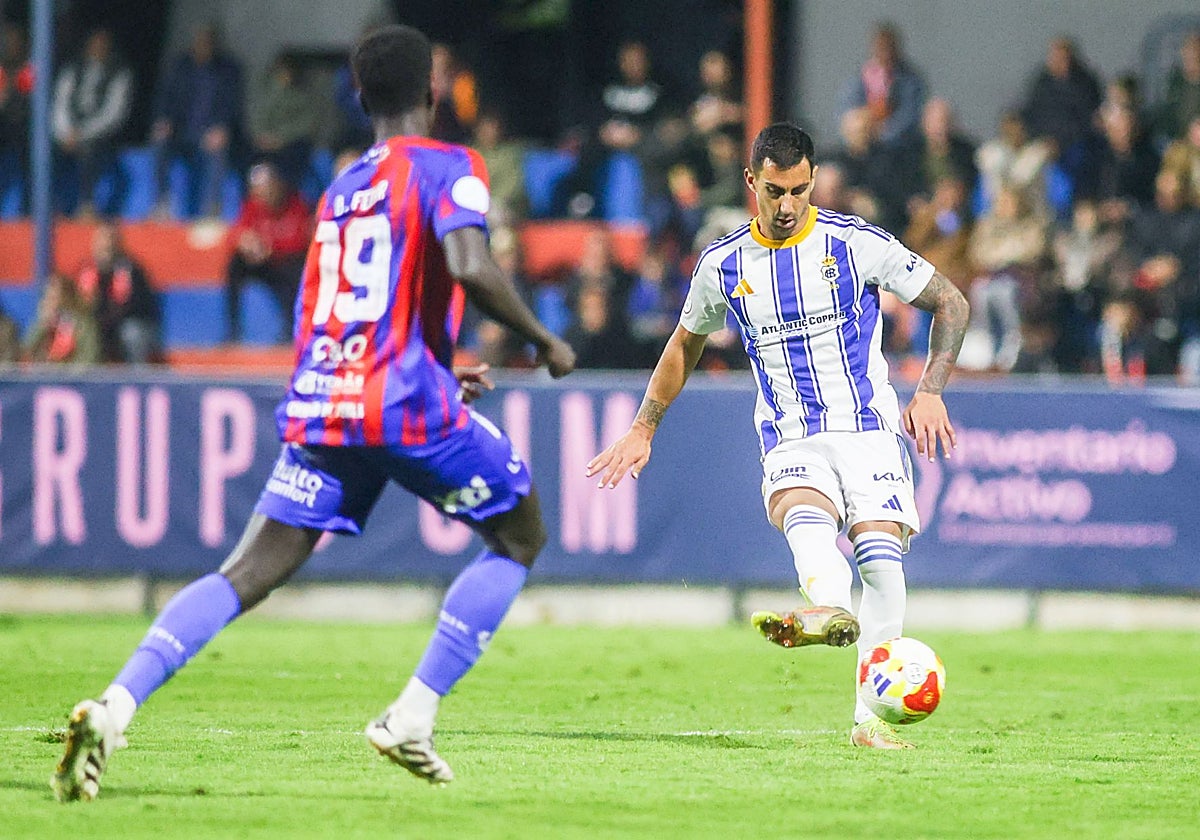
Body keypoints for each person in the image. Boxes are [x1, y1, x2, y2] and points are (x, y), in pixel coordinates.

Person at [52, 24, 576, 802]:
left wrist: (418, 369)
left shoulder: (340, 187)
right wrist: (545, 339)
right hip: (400, 402)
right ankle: (413, 715)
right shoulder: (451, 166)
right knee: (519, 535)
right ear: (433, 92)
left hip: (329, 397)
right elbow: (470, 264)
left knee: (247, 571)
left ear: (358, 97)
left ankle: (115, 705)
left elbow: (327, 304)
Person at [586, 123, 968, 750]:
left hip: (868, 430)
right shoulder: (722, 263)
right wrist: (642, 426)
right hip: (791, 435)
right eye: (773, 192)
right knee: (807, 516)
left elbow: (951, 302)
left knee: (883, 568)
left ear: (813, 180)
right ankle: (827, 607)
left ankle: (868, 721)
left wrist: (930, 389)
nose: (786, 206)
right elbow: (685, 342)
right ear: (750, 184)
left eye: (796, 190)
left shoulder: (856, 244)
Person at [151, 24, 242, 219]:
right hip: (181, 131)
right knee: (159, 141)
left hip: (211, 133)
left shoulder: (228, 70)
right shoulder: (180, 66)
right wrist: (164, 121)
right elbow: (166, 98)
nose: (203, 47)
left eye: (208, 43)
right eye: (200, 43)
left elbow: (233, 105)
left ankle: (212, 208)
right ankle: (162, 203)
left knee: (218, 150)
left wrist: (222, 128)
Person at [223, 161, 311, 343]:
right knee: (235, 265)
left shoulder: (296, 205)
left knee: (295, 273)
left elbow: (299, 241)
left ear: (277, 184)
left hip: (286, 263)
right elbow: (238, 232)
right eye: (258, 190)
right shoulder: (253, 205)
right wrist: (247, 244)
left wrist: (271, 248)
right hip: (262, 262)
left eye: (267, 188)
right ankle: (233, 329)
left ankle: (291, 330)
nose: (263, 195)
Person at [51, 27, 133, 217]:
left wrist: (82, 133)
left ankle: (86, 205)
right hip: (68, 132)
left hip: (98, 134)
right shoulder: (73, 69)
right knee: (47, 152)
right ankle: (50, 204)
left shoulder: (119, 73)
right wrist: (65, 132)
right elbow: (60, 103)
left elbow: (113, 113)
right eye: (95, 44)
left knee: (91, 152)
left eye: (103, 45)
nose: (98, 49)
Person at [74, 221, 162, 364]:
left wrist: (109, 320)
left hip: (126, 324)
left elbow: (137, 306)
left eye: (109, 243)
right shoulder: (85, 270)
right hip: (98, 324)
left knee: (131, 333)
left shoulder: (132, 270)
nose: (105, 247)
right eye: (101, 243)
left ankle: (137, 380)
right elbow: (77, 303)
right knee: (82, 329)